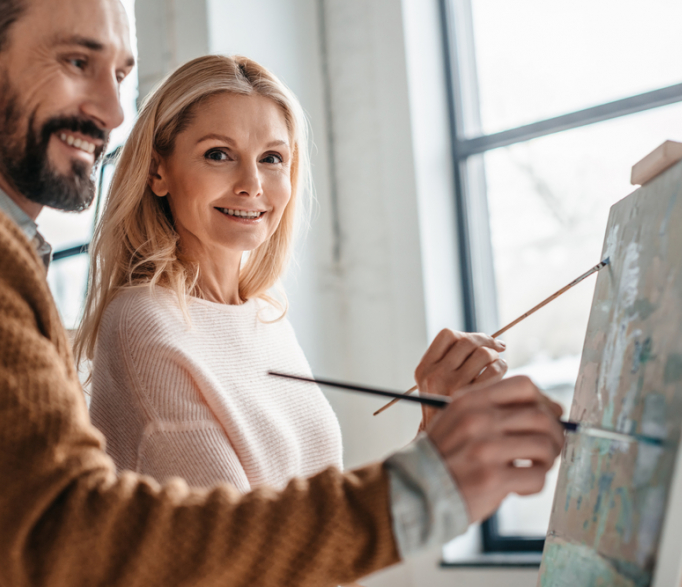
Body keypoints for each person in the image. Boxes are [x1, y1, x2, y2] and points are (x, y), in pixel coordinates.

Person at [0, 0, 566, 585]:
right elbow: (75, 536)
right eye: (77, 62)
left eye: (121, 73)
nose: (112, 111)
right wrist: (422, 487)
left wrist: (429, 451)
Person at [74, 54, 511, 494]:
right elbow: (245, 544)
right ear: (157, 171)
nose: (252, 184)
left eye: (271, 158)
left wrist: (435, 429)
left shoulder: (265, 316)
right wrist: (431, 456)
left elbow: (314, 526)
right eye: (219, 154)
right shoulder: (143, 322)